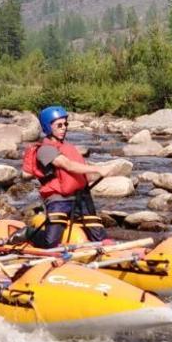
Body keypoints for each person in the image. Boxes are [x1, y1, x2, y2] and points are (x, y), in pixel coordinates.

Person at [21, 105, 116, 248]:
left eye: (65, 124)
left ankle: (106, 249)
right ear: (48, 127)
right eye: (59, 125)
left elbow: (80, 171)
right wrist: (99, 169)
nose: (64, 127)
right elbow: (67, 165)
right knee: (50, 242)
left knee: (98, 235)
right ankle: (28, 233)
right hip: (59, 198)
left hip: (81, 197)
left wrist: (95, 174)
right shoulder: (45, 150)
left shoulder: (68, 147)